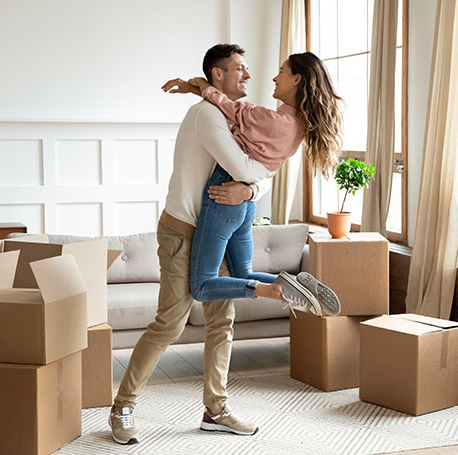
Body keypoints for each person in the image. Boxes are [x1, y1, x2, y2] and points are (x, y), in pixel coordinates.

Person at [108, 44, 323, 444]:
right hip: (183, 230)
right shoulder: (207, 115)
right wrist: (252, 184)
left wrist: (253, 187)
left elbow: (260, 172)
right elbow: (244, 168)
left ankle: (216, 409)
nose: (249, 75)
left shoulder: (234, 113)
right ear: (217, 75)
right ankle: (123, 407)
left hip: (216, 229)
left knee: (222, 322)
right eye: (239, 69)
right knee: (170, 323)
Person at [161, 51, 344, 317]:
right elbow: (264, 171)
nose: (273, 77)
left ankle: (271, 291)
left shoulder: (273, 120)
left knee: (201, 286)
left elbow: (233, 111)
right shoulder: (297, 125)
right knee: (243, 273)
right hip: (245, 204)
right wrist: (251, 191)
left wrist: (196, 87)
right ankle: (298, 285)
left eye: (281, 71)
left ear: (296, 79)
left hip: (224, 195)